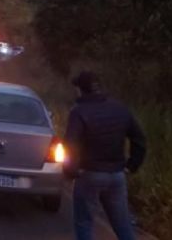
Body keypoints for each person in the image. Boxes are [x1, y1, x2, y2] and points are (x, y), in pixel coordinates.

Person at [64, 71, 146, 240]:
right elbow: (139, 139)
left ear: (80, 90)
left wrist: (71, 170)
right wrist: (132, 165)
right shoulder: (120, 108)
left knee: (84, 222)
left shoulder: (79, 112)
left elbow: (71, 144)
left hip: (90, 174)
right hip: (117, 175)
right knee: (122, 224)